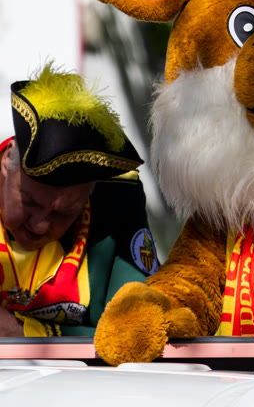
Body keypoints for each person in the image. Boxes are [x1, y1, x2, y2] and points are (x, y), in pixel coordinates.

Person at [0, 65, 159, 336]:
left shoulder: (116, 201)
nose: (39, 225)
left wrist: (22, 332)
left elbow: (133, 330)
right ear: (7, 162)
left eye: (64, 212)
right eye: (31, 202)